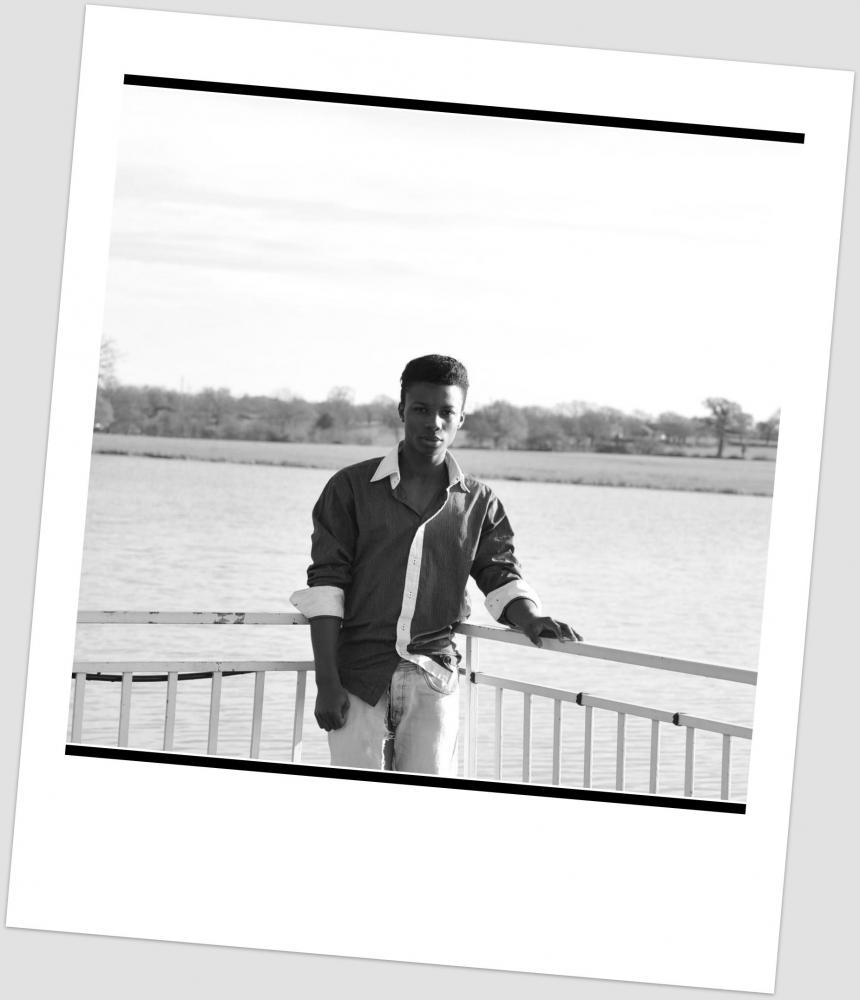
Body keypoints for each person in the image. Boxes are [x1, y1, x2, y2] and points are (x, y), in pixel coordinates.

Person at [290, 354, 581, 776]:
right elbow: (326, 586)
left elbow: (498, 573)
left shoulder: (478, 501)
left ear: (461, 418)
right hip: (356, 678)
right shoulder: (350, 488)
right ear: (402, 411)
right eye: (421, 410)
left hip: (434, 678)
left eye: (446, 412)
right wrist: (326, 682)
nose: (434, 423)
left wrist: (531, 618)